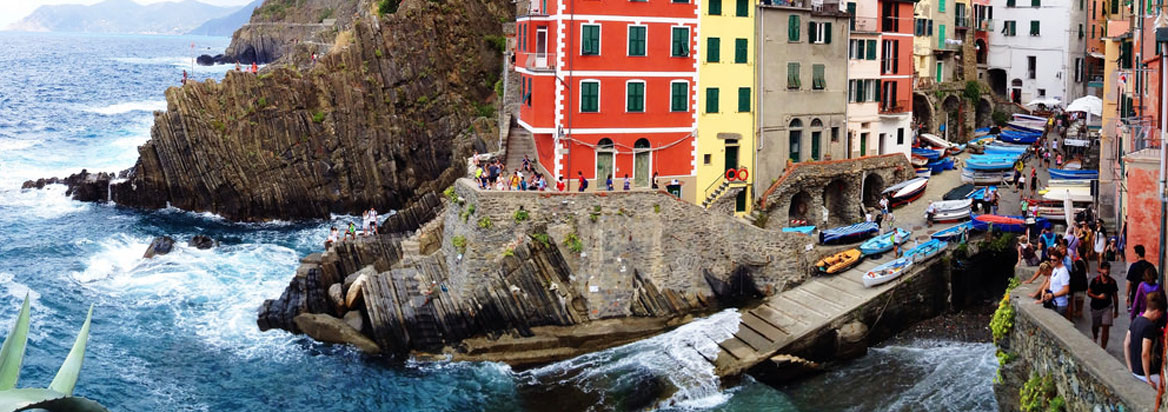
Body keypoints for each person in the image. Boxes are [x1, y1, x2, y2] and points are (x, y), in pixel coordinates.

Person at [1125, 292, 1164, 387]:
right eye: (1160, 314)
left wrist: (1130, 368)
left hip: (1135, 371)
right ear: (1156, 311)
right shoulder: (1149, 327)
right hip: (1149, 373)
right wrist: (1148, 378)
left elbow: (1126, 344)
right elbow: (1145, 353)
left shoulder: (1135, 321)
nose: (1159, 317)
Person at [1089, 261, 1120, 349]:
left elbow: (1115, 296)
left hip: (1107, 307)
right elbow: (1089, 293)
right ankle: (1095, 338)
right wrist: (1097, 297)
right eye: (1104, 269)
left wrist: (1116, 310)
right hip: (1095, 307)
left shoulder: (1112, 282)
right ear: (1100, 270)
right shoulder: (1095, 281)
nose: (1106, 271)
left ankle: (1103, 348)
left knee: (1106, 327)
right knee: (1095, 326)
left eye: (1108, 269)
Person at [1040, 248, 1072, 318]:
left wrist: (1052, 295)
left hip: (1060, 304)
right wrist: (1044, 290)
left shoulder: (1063, 271)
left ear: (1060, 259)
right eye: (1051, 259)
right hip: (1053, 302)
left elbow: (1066, 290)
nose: (1052, 261)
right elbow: (1050, 282)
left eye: (1054, 260)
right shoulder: (1055, 269)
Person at [1127, 245, 1158, 312]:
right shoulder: (1150, 265)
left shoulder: (1134, 266)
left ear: (1137, 254)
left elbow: (1129, 282)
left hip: (1136, 294)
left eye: (1135, 253)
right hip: (1149, 295)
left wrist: (1127, 295)